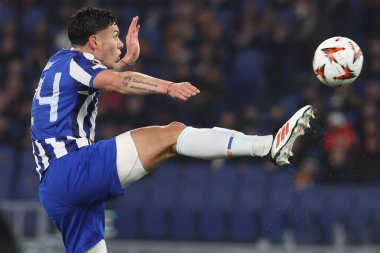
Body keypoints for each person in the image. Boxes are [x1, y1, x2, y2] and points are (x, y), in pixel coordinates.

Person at [31, 7, 315, 253]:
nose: (119, 43)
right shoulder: (76, 64)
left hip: (55, 189)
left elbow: (106, 74)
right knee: (172, 135)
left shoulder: (58, 61)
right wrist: (167, 86)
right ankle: (267, 145)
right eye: (114, 35)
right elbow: (119, 82)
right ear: (94, 41)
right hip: (71, 169)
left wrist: (126, 61)